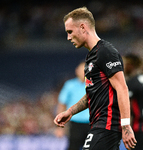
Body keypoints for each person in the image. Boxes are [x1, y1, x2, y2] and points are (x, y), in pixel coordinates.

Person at [54, 6, 137, 150]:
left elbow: (122, 87)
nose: (68, 37)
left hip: (107, 126)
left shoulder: (106, 51)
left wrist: (126, 126)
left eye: (70, 32)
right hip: (98, 125)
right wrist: (70, 111)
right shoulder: (91, 58)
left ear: (82, 27)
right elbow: (92, 94)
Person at [55, 61, 90, 150]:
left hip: (92, 123)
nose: (83, 72)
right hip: (75, 124)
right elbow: (62, 104)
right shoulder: (69, 85)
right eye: (81, 70)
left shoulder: (93, 85)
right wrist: (59, 127)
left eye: (85, 70)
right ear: (76, 71)